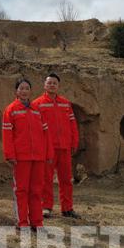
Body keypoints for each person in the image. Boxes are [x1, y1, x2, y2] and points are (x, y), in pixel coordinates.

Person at [2, 77, 53, 231]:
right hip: (21, 158)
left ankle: (37, 222)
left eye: (27, 88)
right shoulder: (11, 110)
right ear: (16, 91)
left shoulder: (37, 109)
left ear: (30, 91)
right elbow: (7, 135)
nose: (24, 91)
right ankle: (22, 222)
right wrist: (10, 155)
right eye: (21, 88)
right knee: (21, 190)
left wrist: (48, 154)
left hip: (38, 157)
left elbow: (46, 134)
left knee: (36, 190)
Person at [31, 73, 81, 219]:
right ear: (44, 85)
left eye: (54, 83)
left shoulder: (65, 103)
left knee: (66, 179)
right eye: (49, 83)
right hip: (48, 148)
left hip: (64, 147)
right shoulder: (37, 104)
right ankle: (46, 207)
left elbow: (72, 124)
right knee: (46, 179)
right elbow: (34, 128)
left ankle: (67, 208)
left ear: (58, 86)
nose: (52, 85)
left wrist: (74, 142)